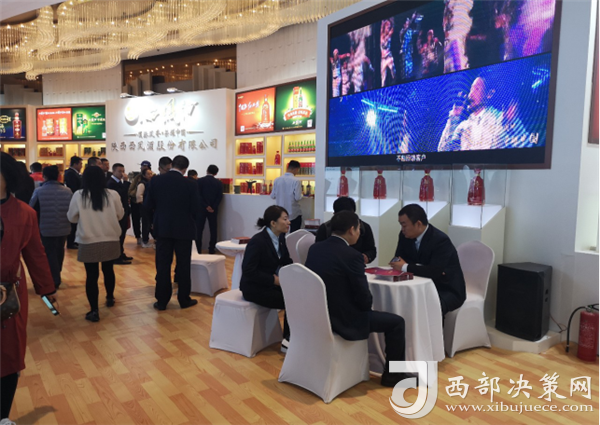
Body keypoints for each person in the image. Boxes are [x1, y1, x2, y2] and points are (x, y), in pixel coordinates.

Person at [305, 211, 408, 387]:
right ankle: (393, 376)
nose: (360, 233)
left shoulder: (315, 249)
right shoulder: (352, 256)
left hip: (317, 316)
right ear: (352, 230)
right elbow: (364, 299)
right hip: (344, 321)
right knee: (397, 322)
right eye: (359, 229)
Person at [1, 153, 57, 424]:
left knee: (9, 354)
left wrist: (46, 287)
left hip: (9, 293)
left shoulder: (25, 213)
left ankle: (2, 415)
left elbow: (35, 253)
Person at [67, 166, 124, 322]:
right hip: (111, 238)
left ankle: (94, 310)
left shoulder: (79, 195)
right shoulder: (113, 194)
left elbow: (71, 218)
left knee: (91, 276)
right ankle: (110, 297)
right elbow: (120, 215)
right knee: (109, 270)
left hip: (88, 241)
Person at [144, 155, 201, 310]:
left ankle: (162, 301)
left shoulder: (156, 181)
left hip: (162, 229)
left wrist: (153, 224)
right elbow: (196, 208)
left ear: (172, 164)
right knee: (183, 265)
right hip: (184, 230)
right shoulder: (191, 184)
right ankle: (184, 299)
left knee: (163, 265)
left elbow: (147, 205)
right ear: (185, 169)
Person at [390, 204, 466, 316]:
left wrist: (406, 266)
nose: (402, 229)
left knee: (429, 307)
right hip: (417, 285)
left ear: (418, 224)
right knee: (396, 300)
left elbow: (434, 272)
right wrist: (415, 267)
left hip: (444, 288)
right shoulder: (404, 236)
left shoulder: (440, 240)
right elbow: (398, 259)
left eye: (404, 225)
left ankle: (434, 328)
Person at [240, 205, 292, 350]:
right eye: (285, 219)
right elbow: (248, 271)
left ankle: (293, 338)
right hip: (254, 288)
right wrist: (274, 280)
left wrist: (297, 273)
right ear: (273, 223)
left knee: (297, 295)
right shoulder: (258, 241)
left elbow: (286, 260)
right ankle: (288, 341)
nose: (288, 222)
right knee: (291, 300)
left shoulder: (280, 237)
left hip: (270, 284)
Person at [29, 165, 73, 288]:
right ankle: (57, 274)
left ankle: (54, 279)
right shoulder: (68, 191)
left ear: (45, 176)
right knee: (59, 250)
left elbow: (31, 208)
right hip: (64, 226)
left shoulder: (39, 191)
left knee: (50, 252)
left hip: (46, 227)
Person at [438, 76, 504, 151]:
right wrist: (454, 117)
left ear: (489, 94)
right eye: (471, 89)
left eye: (476, 89)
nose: (470, 95)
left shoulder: (500, 119)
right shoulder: (463, 126)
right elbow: (443, 150)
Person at [315, 197, 377, 264]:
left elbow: (372, 250)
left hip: (356, 264)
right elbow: (320, 252)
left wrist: (367, 256)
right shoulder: (326, 228)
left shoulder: (364, 227)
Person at [107, 163, 133, 264]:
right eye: (119, 171)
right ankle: (116, 256)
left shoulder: (118, 182)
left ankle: (120, 253)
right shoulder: (111, 183)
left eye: (123, 171)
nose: (122, 173)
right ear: (113, 171)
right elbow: (121, 194)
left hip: (123, 211)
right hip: (117, 213)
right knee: (119, 235)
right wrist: (126, 182)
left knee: (122, 234)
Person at [196, 164, 223, 254]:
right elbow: (219, 197)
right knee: (213, 229)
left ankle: (198, 249)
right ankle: (211, 249)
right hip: (213, 209)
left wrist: (205, 206)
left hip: (201, 208)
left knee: (199, 229)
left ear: (207, 171)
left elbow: (198, 195)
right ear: (216, 173)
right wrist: (213, 206)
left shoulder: (200, 181)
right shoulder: (219, 183)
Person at [270, 160, 303, 232]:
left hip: (280, 213)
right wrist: (302, 194)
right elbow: (297, 197)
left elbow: (272, 196)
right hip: (293, 213)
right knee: (294, 234)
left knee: (281, 233)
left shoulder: (277, 180)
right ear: (296, 169)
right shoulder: (296, 181)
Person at [64, 155, 83, 249]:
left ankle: (73, 241)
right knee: (73, 222)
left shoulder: (72, 173)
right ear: (75, 164)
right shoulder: (71, 173)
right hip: (73, 199)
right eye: (80, 164)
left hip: (74, 198)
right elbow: (74, 187)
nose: (81, 166)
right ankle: (71, 242)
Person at [136, 168, 155, 248]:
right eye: (148, 174)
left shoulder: (150, 183)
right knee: (146, 224)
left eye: (151, 173)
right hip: (144, 207)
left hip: (149, 207)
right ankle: (145, 241)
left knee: (150, 224)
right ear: (144, 175)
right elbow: (139, 196)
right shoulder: (142, 184)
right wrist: (144, 205)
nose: (150, 175)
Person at [128, 173, 143, 245]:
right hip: (135, 203)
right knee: (136, 221)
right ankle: (138, 237)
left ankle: (145, 237)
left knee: (147, 221)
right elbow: (130, 191)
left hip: (144, 204)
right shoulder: (137, 179)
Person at [380, 18, 396, 87]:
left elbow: (392, 30)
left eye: (389, 27)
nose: (388, 28)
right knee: (383, 79)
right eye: (387, 27)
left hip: (389, 57)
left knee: (393, 72)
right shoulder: (381, 35)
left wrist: (392, 22)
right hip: (383, 59)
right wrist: (383, 23)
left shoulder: (389, 35)